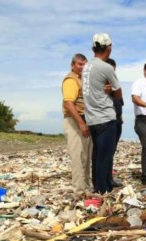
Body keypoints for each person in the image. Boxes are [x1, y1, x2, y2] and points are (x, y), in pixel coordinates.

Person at [81, 33, 122, 194]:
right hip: (105, 117)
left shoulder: (86, 67)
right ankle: (103, 189)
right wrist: (111, 90)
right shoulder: (106, 67)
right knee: (105, 156)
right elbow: (118, 93)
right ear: (108, 48)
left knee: (97, 156)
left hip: (91, 119)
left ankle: (99, 186)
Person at [62, 53, 92, 197]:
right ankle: (79, 191)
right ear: (73, 65)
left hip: (83, 119)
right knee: (78, 156)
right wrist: (81, 124)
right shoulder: (71, 80)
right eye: (79, 64)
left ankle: (86, 187)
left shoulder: (82, 80)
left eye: (84, 64)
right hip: (74, 120)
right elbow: (68, 103)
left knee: (85, 156)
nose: (82, 67)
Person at [105, 58, 124, 187]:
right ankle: (104, 180)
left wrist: (121, 116)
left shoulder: (115, 84)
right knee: (105, 152)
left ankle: (109, 178)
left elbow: (120, 101)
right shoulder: (100, 85)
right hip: (106, 121)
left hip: (117, 120)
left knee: (111, 151)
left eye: (113, 70)